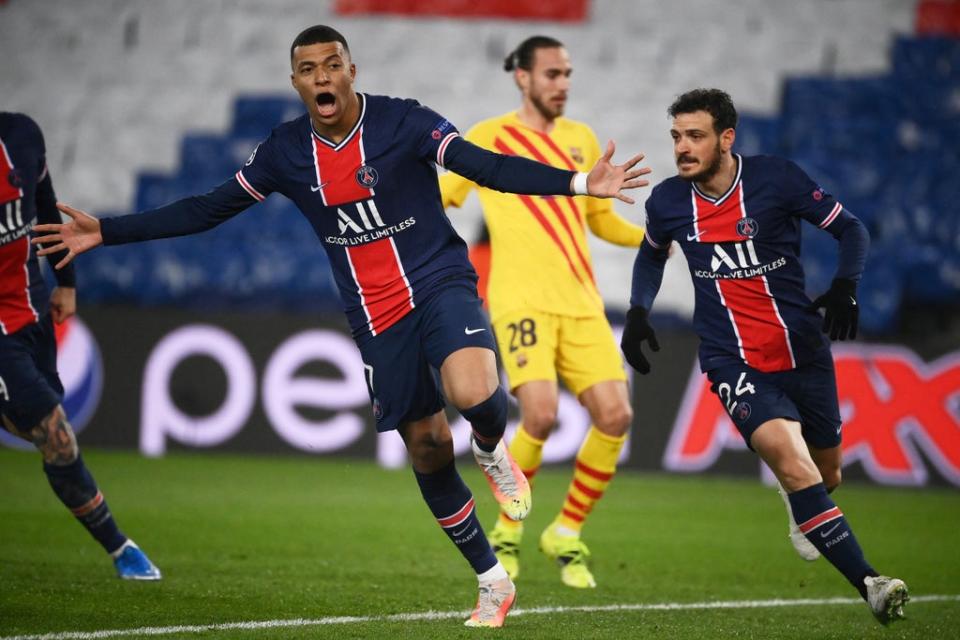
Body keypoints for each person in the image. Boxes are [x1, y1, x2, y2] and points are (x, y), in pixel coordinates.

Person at [33, 26, 649, 628]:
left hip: (439, 281)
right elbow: (208, 208)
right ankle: (491, 581)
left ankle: (490, 448)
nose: (322, 77)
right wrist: (106, 231)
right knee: (429, 449)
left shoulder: (404, 121)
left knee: (472, 394)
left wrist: (577, 184)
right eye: (308, 69)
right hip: (376, 312)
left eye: (332, 64)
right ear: (296, 82)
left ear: (352, 70)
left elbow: (483, 166)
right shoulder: (284, 151)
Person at [620, 88, 908, 624]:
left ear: (726, 138)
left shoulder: (777, 179)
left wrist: (846, 286)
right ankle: (869, 582)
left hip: (803, 351)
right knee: (796, 467)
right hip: (733, 360)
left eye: (695, 136)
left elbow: (852, 229)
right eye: (677, 136)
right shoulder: (667, 201)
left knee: (826, 476)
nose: (683, 147)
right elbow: (651, 254)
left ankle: (803, 506)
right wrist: (638, 311)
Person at [439, 36, 644, 589]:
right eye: (552, 74)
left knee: (616, 417)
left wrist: (651, 240)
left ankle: (566, 530)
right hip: (521, 299)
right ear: (522, 78)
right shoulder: (486, 137)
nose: (563, 84)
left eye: (568, 73)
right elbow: (441, 199)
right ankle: (507, 532)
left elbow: (599, 220)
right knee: (542, 415)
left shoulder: (581, 140)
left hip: (581, 302)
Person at [0, 112, 161, 580]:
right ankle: (121, 549)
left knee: (34, 426)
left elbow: (46, 207)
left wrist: (65, 281)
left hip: (31, 309)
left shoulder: (22, 135)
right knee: (55, 433)